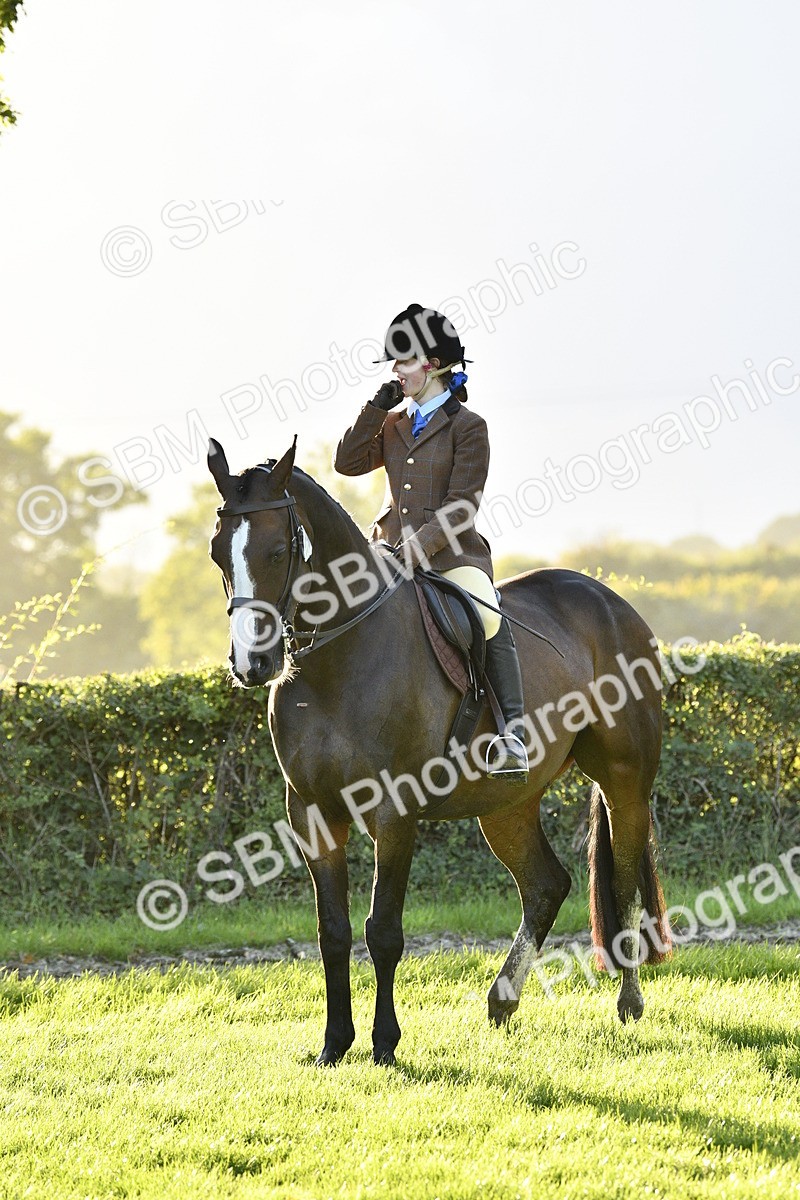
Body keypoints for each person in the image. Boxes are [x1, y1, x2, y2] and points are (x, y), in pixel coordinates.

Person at [333, 303, 529, 784]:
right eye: (394, 364)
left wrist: (415, 551)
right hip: (385, 549)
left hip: (452, 555)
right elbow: (347, 462)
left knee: (485, 611)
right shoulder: (394, 423)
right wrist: (375, 408)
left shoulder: (469, 427)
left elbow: (462, 505)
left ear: (435, 364)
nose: (397, 372)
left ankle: (514, 735)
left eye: (403, 362)